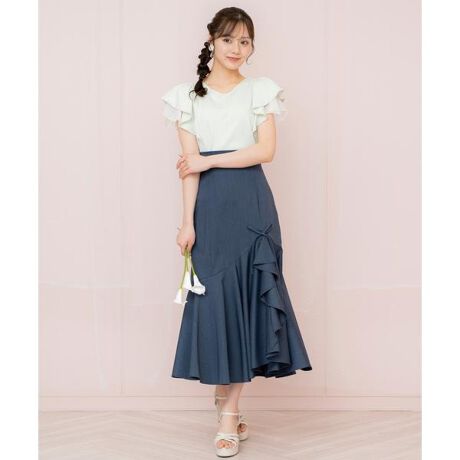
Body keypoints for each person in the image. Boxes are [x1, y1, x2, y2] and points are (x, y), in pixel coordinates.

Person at [161, 7, 313, 458]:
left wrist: (209, 160)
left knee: (248, 302)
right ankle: (225, 398)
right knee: (217, 307)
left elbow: (266, 151)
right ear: (211, 40)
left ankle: (229, 413)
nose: (237, 49)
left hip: (252, 207)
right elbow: (189, 169)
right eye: (228, 39)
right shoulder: (185, 98)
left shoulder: (260, 91)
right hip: (210, 211)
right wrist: (187, 222)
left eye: (245, 41)